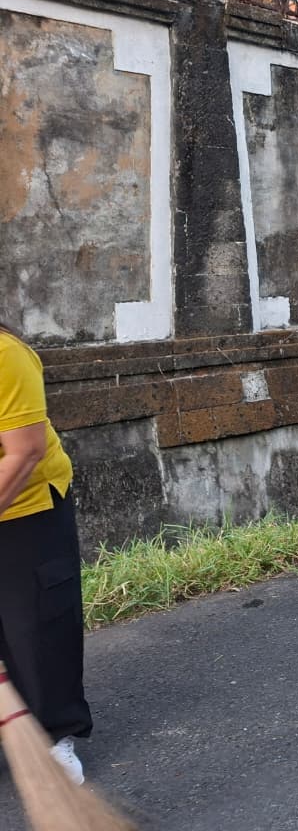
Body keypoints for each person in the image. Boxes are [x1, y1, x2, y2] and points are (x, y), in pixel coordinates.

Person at [0, 323, 92, 784]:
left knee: (34, 624)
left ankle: (55, 737)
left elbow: (25, 451)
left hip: (24, 506)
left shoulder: (5, 355)